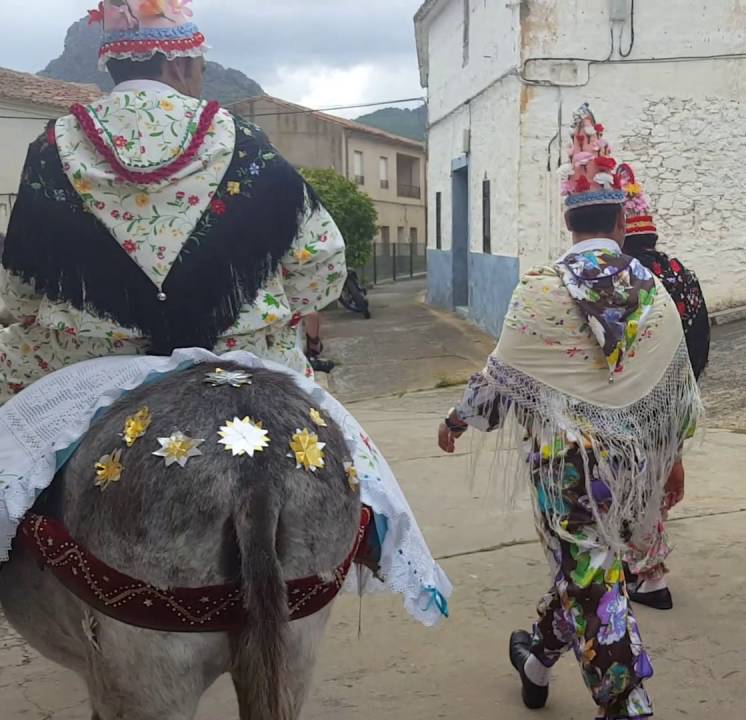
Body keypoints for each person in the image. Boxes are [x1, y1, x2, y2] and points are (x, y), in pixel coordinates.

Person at [0, 0, 449, 625]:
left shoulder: (54, 146)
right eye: (199, 66)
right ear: (178, 62)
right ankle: (374, 540)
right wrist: (268, 310)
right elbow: (322, 263)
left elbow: (18, 290)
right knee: (349, 453)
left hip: (89, 367)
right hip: (242, 355)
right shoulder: (240, 140)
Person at [437, 103, 700, 720]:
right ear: (622, 218)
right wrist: (672, 462)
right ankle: (535, 658)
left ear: (567, 218)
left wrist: (457, 421)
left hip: (569, 472)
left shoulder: (539, 289)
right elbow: (676, 390)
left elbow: (501, 376)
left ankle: (628, 704)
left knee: (591, 580)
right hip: (635, 471)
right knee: (589, 573)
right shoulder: (653, 290)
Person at [616, 163, 711, 610]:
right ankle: (643, 567)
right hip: (672, 401)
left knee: (627, 487)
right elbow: (700, 343)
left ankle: (647, 575)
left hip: (626, 404)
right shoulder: (680, 273)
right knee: (653, 485)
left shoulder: (619, 278)